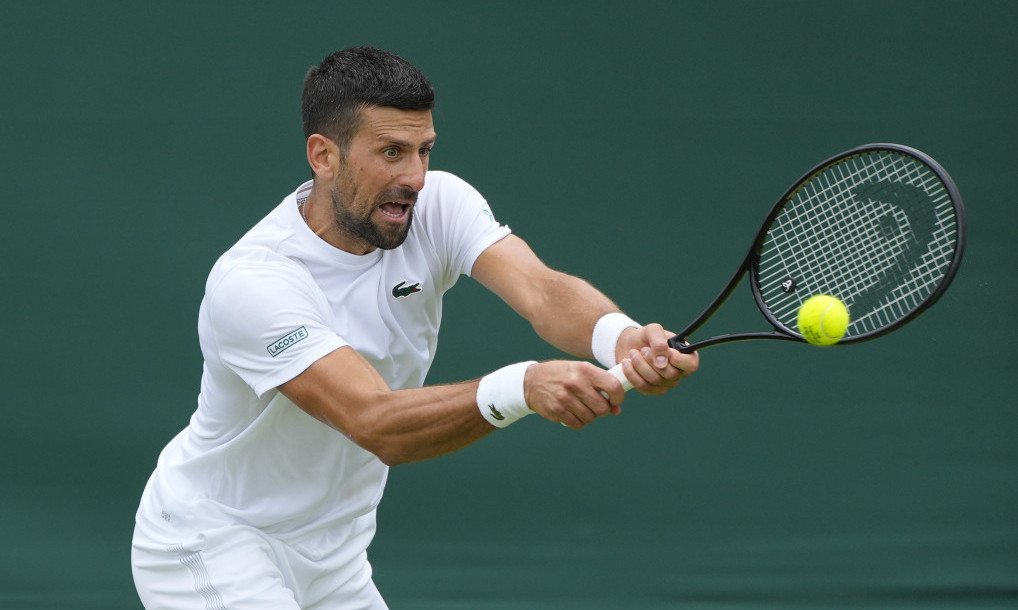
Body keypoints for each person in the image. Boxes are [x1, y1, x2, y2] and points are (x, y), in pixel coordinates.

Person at [131, 46, 699, 609]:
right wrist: (523, 387)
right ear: (324, 156)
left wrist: (622, 338)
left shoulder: (439, 205)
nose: (416, 177)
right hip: (211, 541)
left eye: (424, 150)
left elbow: (543, 291)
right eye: (391, 152)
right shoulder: (256, 283)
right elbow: (375, 422)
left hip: (336, 557)